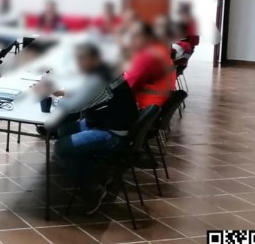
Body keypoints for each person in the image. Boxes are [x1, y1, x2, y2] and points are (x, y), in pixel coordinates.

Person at [53, 44, 138, 213]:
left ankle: (92, 188)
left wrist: (56, 93)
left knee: (61, 147)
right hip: (106, 123)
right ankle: (94, 168)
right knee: (64, 131)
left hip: (113, 134)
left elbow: (74, 106)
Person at [124, 21, 176, 109]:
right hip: (162, 102)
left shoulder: (145, 55)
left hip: (147, 105)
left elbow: (126, 84)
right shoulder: (161, 50)